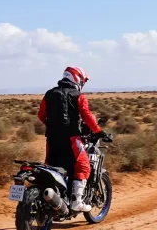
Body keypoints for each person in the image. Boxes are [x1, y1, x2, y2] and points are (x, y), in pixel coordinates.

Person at [37, 67, 106, 212]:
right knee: (83, 166)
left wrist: (54, 127)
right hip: (71, 139)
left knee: (52, 165)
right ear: (77, 78)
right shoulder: (78, 96)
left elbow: (41, 115)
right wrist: (98, 131)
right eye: (83, 80)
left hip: (51, 139)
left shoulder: (49, 94)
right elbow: (86, 115)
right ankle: (77, 201)